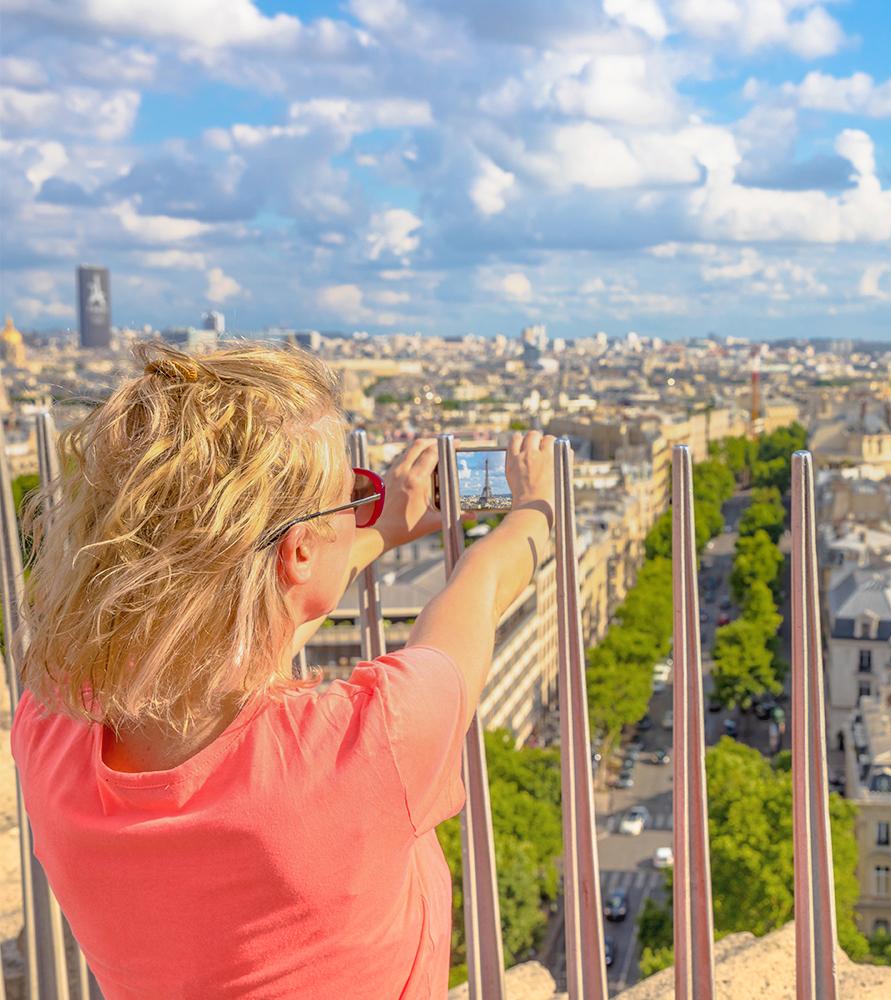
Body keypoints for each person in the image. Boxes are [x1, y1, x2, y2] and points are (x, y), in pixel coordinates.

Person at [10, 341, 556, 998]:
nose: (358, 510)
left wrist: (378, 529)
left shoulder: (48, 723)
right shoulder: (364, 748)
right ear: (297, 550)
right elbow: (482, 587)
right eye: (347, 499)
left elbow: (219, 613)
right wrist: (535, 508)